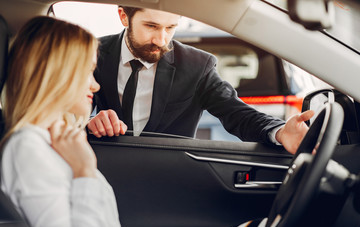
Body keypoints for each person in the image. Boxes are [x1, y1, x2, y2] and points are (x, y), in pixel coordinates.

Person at [88, 6, 314, 154]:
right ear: (123, 16)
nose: (161, 39)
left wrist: (280, 131)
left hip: (168, 176)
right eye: (151, 26)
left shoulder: (197, 65)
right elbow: (61, 109)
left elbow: (236, 113)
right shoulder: (90, 54)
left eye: (170, 28)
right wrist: (88, 122)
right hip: (102, 167)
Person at [0, 16, 126, 227]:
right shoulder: (28, 147)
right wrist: (84, 170)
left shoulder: (58, 140)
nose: (95, 85)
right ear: (56, 72)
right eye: (88, 71)